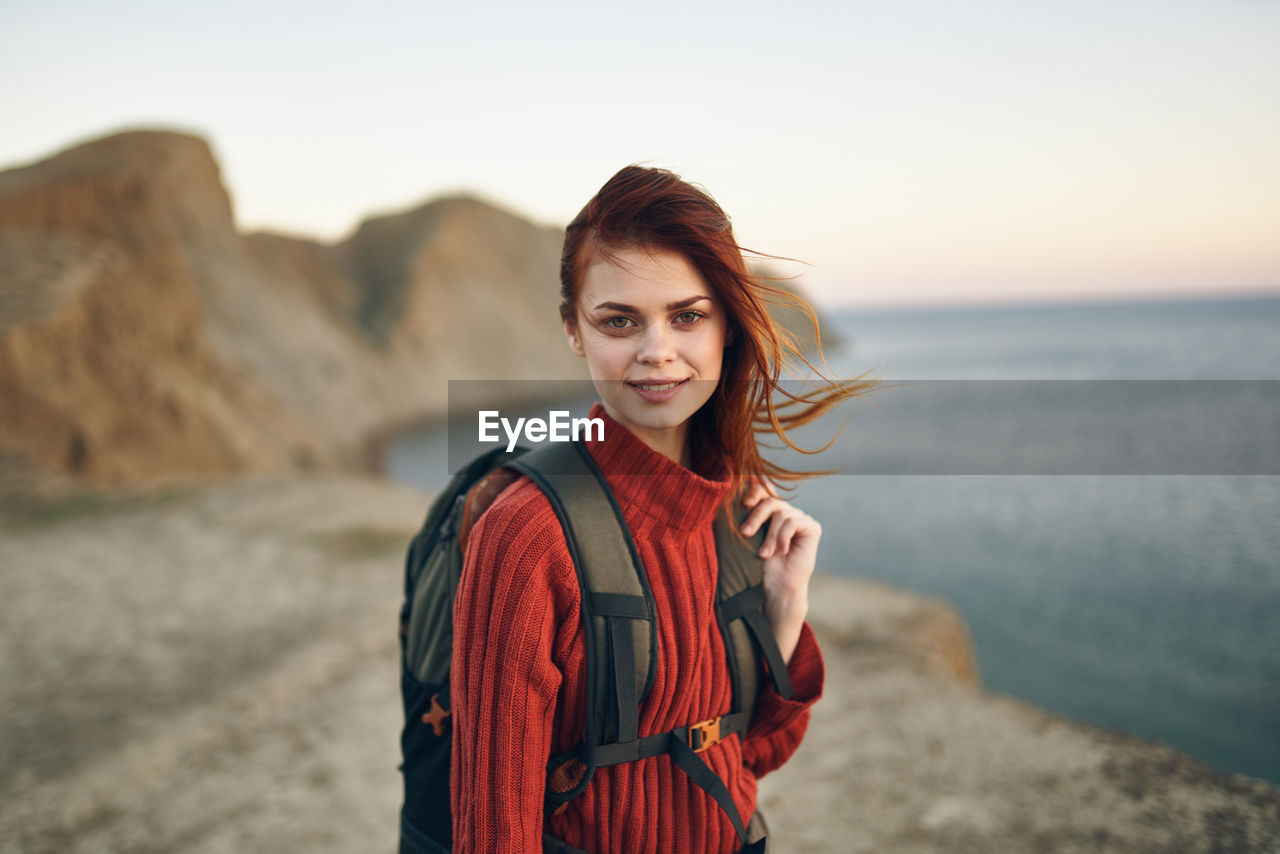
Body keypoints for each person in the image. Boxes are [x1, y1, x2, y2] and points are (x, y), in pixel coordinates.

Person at [450, 165, 874, 853]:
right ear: (573, 330)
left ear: (725, 326)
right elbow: (492, 834)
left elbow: (753, 754)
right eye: (620, 321)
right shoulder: (527, 534)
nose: (658, 353)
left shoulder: (733, 507)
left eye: (688, 316)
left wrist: (785, 610)